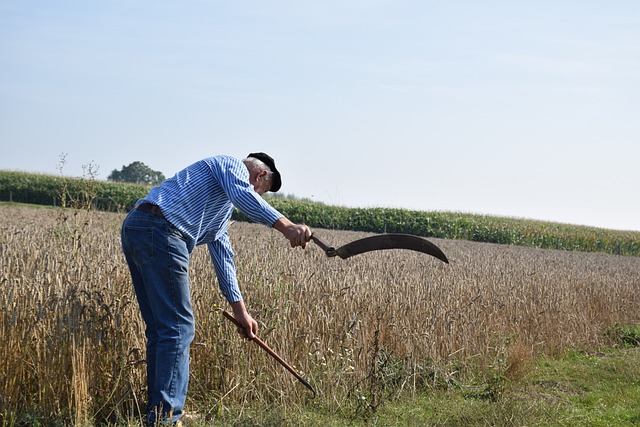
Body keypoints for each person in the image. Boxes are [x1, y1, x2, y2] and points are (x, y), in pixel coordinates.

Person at [120, 153, 312, 424]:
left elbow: (223, 258)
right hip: (161, 230)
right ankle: (166, 418)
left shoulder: (219, 212)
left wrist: (241, 311)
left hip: (139, 227)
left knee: (162, 329)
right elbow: (245, 197)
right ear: (260, 177)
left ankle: (160, 411)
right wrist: (287, 226)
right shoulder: (229, 164)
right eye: (262, 191)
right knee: (178, 329)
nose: (257, 195)